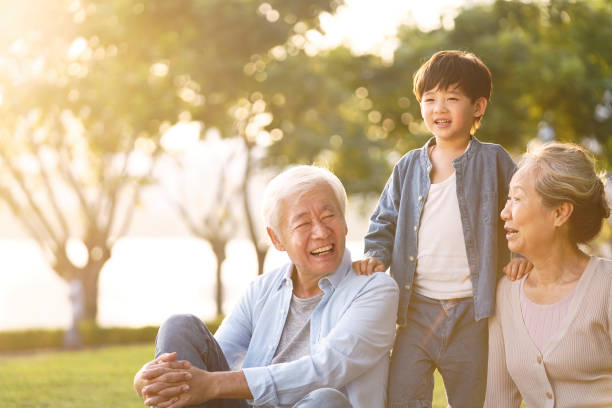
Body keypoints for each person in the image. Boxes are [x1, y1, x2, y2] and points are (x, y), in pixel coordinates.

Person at [133, 165, 399, 408]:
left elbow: (325, 369)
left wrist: (211, 385)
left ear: (344, 223)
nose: (320, 232)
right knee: (180, 326)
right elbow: (215, 357)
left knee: (326, 399)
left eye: (329, 216)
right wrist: (148, 380)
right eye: (304, 223)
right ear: (277, 238)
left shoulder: (375, 290)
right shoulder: (261, 290)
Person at [353, 50, 531, 407]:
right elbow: (384, 220)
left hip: (474, 310)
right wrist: (375, 254)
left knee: (473, 398)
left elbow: (520, 211)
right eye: (430, 99)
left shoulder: (494, 160)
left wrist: (520, 254)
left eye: (452, 98)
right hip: (415, 309)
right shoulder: (407, 167)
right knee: (402, 395)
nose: (440, 108)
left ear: (478, 107)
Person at [485, 142, 612, 407]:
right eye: (508, 199)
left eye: (517, 199)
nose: (504, 212)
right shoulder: (506, 293)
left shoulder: (606, 286)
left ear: (560, 213)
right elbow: (498, 401)